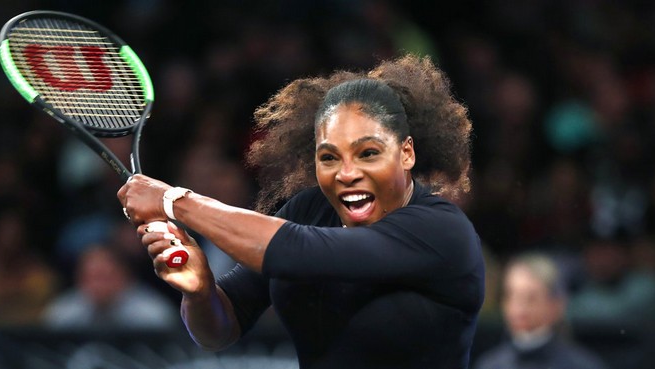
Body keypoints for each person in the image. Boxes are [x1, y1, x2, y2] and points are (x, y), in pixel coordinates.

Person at [118, 54, 485, 368]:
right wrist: (200, 292)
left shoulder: (440, 230)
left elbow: (291, 251)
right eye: (329, 157)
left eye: (368, 153)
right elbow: (218, 332)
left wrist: (173, 200)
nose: (346, 173)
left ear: (406, 153)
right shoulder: (309, 209)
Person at [474, 253, 607, 369]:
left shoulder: (582, 365)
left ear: (556, 304)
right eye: (511, 296)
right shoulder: (489, 364)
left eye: (531, 298)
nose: (519, 307)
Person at [42, 243, 178, 332]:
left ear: (127, 277)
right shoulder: (61, 314)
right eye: (91, 277)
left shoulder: (153, 315)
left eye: (105, 277)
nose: (98, 285)